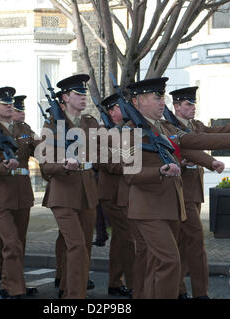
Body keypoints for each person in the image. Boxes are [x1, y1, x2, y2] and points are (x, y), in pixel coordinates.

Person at [122, 77, 230, 298]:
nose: (162, 102)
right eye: (156, 98)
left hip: (171, 205)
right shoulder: (127, 132)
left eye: (162, 97)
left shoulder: (165, 127)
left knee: (157, 265)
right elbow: (129, 173)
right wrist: (160, 171)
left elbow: (193, 141)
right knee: (170, 261)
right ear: (138, 102)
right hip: (148, 209)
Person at [167, 86, 230, 299]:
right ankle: (200, 293)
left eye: (193, 103)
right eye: (188, 104)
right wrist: (210, 161)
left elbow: (213, 133)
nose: (193, 107)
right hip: (181, 192)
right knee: (195, 242)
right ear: (177, 106)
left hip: (194, 191)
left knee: (184, 243)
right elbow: (182, 150)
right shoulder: (169, 127)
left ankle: (178, 289)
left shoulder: (195, 125)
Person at [40, 74, 99, 299]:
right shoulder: (51, 125)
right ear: (65, 97)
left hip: (87, 194)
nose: (84, 98)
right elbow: (45, 166)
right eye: (78, 94)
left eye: (85, 94)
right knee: (76, 246)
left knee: (83, 246)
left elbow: (106, 150)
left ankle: (69, 288)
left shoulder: (90, 123)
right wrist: (63, 164)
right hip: (62, 194)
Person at [0, 88, 41, 299]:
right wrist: (3, 166)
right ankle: (16, 289)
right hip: (0, 196)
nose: (9, 106)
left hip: (22, 194)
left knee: (18, 244)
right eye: (4, 104)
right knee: (11, 243)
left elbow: (40, 149)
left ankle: (8, 285)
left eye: (10, 103)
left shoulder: (23, 128)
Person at [96, 93, 134, 297]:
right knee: (128, 237)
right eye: (120, 107)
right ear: (111, 112)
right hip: (111, 193)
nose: (125, 109)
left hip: (127, 192)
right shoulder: (103, 133)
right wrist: (130, 167)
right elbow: (103, 163)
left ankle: (114, 282)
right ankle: (134, 283)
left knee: (121, 238)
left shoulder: (130, 129)